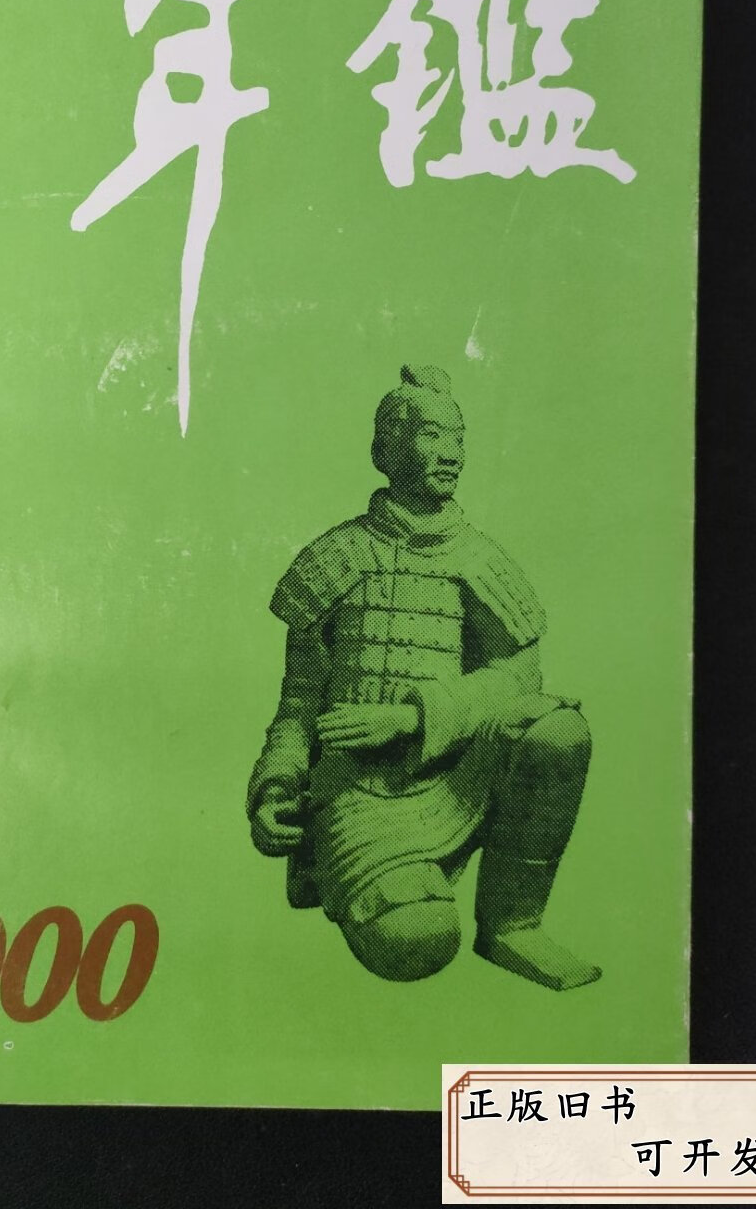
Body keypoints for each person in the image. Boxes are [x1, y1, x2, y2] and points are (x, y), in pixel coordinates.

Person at [247, 364, 601, 990]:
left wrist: (412, 717)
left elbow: (521, 677)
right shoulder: (335, 559)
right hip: (361, 792)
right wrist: (274, 788)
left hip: (458, 774)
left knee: (558, 733)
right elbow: (298, 707)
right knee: (418, 941)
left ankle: (513, 924)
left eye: (458, 438)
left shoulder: (477, 556)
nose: (452, 454)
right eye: (433, 435)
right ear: (386, 450)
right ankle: (392, 882)